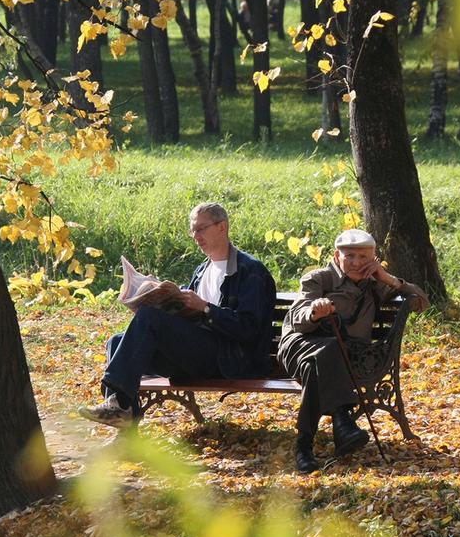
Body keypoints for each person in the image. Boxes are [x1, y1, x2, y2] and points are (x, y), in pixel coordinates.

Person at [80, 202, 276, 426]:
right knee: (116, 341)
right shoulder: (202, 270)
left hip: (228, 358)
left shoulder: (250, 271)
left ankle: (118, 404)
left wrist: (207, 309)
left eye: (201, 229)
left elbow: (249, 328)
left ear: (222, 227)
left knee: (149, 318)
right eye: (192, 230)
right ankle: (124, 424)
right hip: (194, 355)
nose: (195, 236)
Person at [278, 229, 430, 473]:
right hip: (300, 346)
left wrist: (389, 279)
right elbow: (298, 320)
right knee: (327, 349)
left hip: (335, 360)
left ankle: (304, 445)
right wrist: (315, 312)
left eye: (363, 257)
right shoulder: (319, 279)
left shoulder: (375, 285)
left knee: (317, 366)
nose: (357, 263)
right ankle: (342, 420)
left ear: (373, 258)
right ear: (337, 256)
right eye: (350, 256)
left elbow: (422, 302)